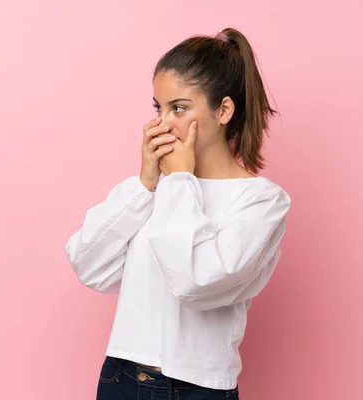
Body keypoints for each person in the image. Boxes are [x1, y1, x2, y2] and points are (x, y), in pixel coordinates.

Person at [65, 27, 291, 400]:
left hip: (198, 389)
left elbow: (195, 283)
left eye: (179, 107)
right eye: (158, 107)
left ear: (224, 110)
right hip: (122, 378)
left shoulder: (262, 202)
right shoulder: (156, 190)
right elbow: (89, 266)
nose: (163, 123)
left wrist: (181, 180)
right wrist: (144, 184)